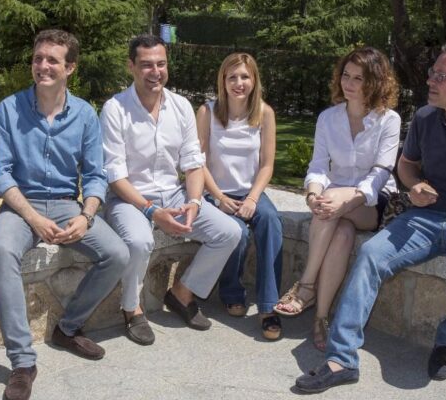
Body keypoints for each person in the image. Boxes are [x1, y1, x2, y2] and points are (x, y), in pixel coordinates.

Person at [294, 41, 446, 394]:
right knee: (369, 256)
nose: (431, 80)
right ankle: (342, 357)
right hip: (424, 217)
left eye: (441, 75)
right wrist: (414, 186)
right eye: (432, 72)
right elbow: (405, 165)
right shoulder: (426, 118)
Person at [0, 29, 129, 400]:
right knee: (1, 251)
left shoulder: (84, 114)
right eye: (38, 58)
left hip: (68, 205)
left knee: (117, 254)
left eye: (53, 60)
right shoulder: (8, 109)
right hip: (20, 205)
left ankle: (68, 328)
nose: (43, 66)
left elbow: (96, 175)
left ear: (70, 68)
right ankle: (22, 362)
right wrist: (32, 217)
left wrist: (86, 216)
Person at [101, 34, 241, 345]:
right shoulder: (115, 109)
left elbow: (193, 164)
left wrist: (193, 202)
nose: (155, 71)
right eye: (147, 65)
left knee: (230, 233)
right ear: (131, 67)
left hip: (174, 193)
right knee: (138, 241)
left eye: (161, 64)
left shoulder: (180, 106)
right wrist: (151, 211)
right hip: (129, 198)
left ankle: (181, 293)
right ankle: (132, 309)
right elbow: (115, 176)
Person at [274, 47, 401, 352]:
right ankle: (320, 318)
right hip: (335, 202)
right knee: (341, 231)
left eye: (359, 77)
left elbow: (383, 170)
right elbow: (318, 166)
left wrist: (350, 196)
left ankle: (305, 287)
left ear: (376, 82)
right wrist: (314, 193)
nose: (349, 83)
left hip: (375, 201)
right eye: (346, 75)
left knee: (331, 206)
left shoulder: (389, 120)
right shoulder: (328, 118)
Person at [196, 53, 284, 340]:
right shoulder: (207, 112)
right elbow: (199, 162)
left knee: (271, 221)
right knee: (237, 232)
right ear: (223, 80)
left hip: (250, 192)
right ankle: (231, 291)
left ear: (254, 80)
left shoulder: (264, 113)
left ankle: (269, 306)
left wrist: (253, 199)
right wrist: (219, 197)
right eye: (232, 77)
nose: (239, 83)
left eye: (245, 76)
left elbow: (267, 165)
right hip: (215, 193)